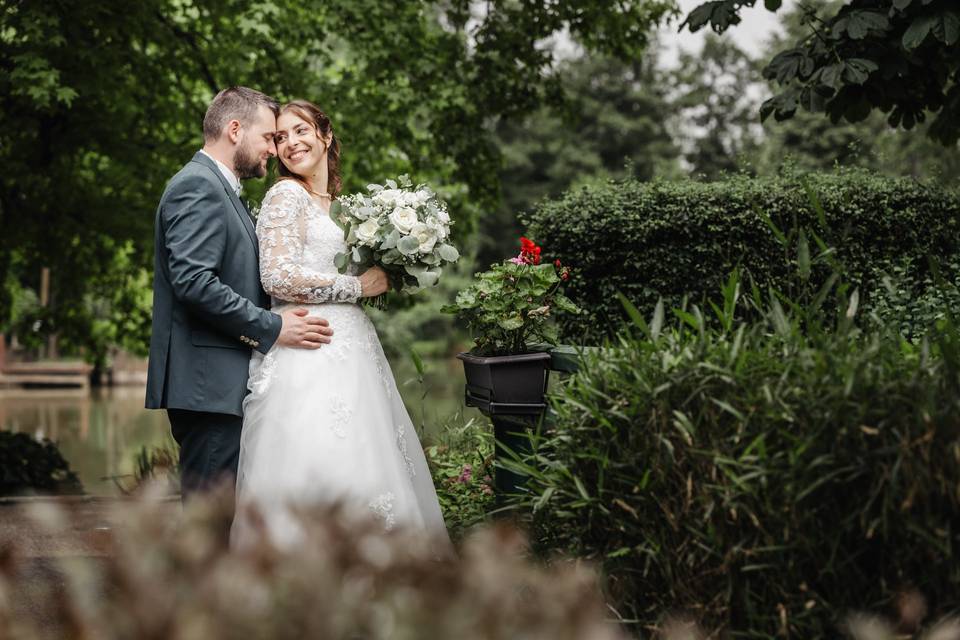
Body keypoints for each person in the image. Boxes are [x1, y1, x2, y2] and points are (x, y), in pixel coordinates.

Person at [232, 99, 450, 550]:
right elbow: (277, 275)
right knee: (316, 468)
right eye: (280, 137)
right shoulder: (285, 195)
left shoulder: (343, 209)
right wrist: (358, 288)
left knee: (367, 467)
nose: (290, 143)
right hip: (306, 351)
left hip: (353, 358)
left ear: (326, 136)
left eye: (301, 131)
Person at [145, 87, 335, 503]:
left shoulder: (217, 187)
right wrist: (273, 327)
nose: (275, 148)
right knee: (208, 523)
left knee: (217, 518)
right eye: (269, 137)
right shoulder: (197, 186)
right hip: (207, 386)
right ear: (235, 130)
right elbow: (194, 283)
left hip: (217, 383)